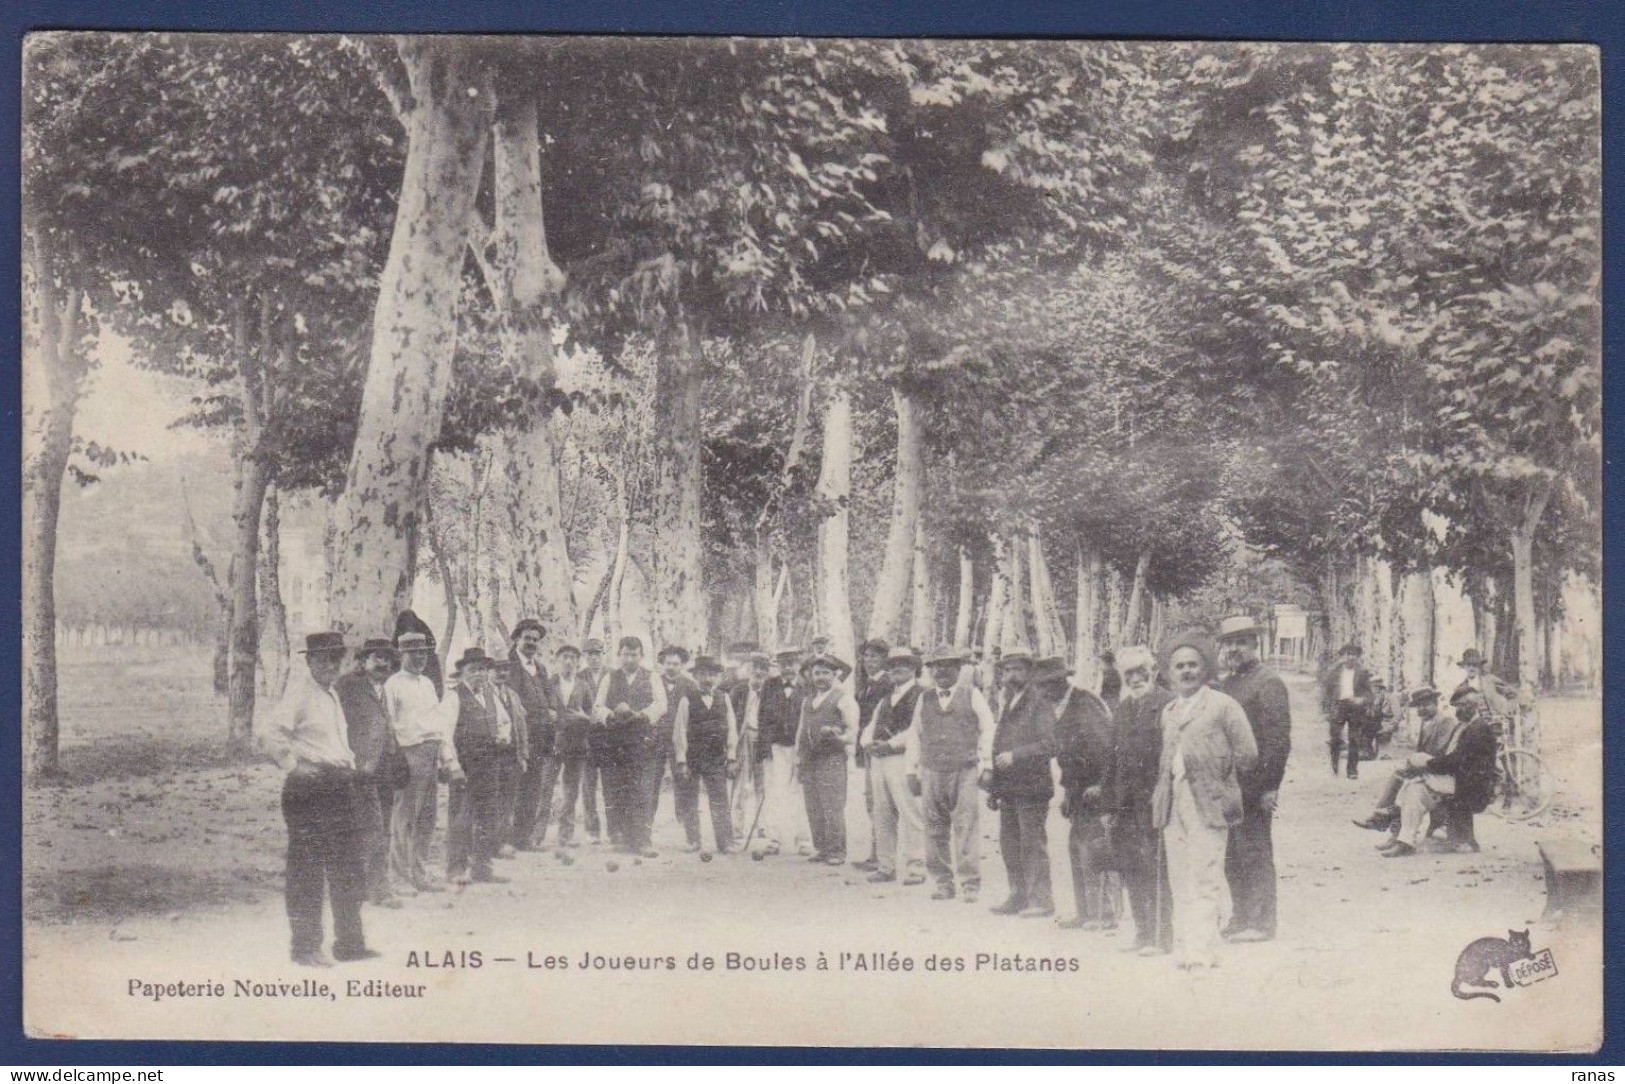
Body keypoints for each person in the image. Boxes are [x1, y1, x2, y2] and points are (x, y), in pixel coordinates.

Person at [263, 632, 375, 967]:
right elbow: (268, 732)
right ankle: (305, 948)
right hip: (310, 790)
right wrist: (293, 765)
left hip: (339, 786)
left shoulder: (331, 696)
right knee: (307, 871)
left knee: (347, 868)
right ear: (309, 660)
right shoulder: (300, 692)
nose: (330, 665)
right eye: (323, 658)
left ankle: (349, 945)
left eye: (336, 658)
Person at [1152, 630, 1258, 971]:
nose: (1186, 671)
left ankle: (1200, 950)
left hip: (1209, 801)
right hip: (1173, 801)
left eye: (1193, 665)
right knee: (1180, 876)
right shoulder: (1168, 711)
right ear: (1169, 672)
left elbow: (1248, 754)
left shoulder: (1223, 706)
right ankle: (1191, 946)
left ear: (1205, 669)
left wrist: (1219, 776)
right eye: (1179, 666)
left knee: (1205, 875)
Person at [1215, 615, 1293, 944]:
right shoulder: (1228, 684)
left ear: (1254, 644)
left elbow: (1278, 740)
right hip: (1229, 785)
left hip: (1255, 785)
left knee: (1255, 852)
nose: (1234, 648)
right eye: (1229, 643)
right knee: (1232, 853)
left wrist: (1270, 786)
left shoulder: (1268, 682)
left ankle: (1262, 922)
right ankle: (1241, 915)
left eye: (1241, 642)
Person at [904, 648, 995, 903]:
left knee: (966, 826)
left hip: (963, 768)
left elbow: (988, 728)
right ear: (932, 671)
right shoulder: (925, 698)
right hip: (931, 770)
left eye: (949, 666)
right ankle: (943, 882)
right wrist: (911, 770)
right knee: (934, 828)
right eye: (937, 667)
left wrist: (987, 764)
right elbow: (915, 734)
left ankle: (970, 883)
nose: (943, 671)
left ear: (959, 669)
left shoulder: (972, 694)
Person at [1102, 646, 1174, 955]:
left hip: (1156, 802)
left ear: (1153, 671)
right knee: (1131, 868)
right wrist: (1107, 805)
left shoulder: (1168, 705)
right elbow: (1111, 761)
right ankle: (1142, 932)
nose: (1135, 678)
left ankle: (1161, 936)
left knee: (1156, 868)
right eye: (1128, 673)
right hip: (1125, 805)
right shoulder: (1122, 709)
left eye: (1140, 672)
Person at [1378, 688, 1497, 858]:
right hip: (1458, 779)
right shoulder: (1467, 727)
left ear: (1472, 706)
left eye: (1460, 707)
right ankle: (1404, 840)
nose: (1457, 711)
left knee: (1414, 781)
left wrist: (1427, 764)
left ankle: (1395, 827)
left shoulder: (1478, 730)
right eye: (1456, 707)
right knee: (1414, 788)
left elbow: (1456, 761)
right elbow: (1453, 760)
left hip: (1470, 786)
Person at [1046, 656, 1118, 930]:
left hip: (1094, 791)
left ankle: (1105, 914)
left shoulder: (1085, 704)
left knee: (1097, 851)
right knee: (1077, 850)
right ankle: (1086, 912)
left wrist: (1102, 785)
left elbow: (1105, 748)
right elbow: (1068, 757)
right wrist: (1066, 793)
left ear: (1060, 682)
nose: (1042, 691)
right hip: (1077, 791)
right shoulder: (1059, 707)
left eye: (1047, 685)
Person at [384, 630, 458, 894]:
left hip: (430, 752)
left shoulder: (427, 684)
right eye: (413, 653)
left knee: (427, 817)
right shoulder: (393, 685)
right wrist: (397, 759)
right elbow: (389, 726)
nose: (419, 658)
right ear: (402, 655)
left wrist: (442, 756)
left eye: (423, 653)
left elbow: (437, 721)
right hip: (408, 753)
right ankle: (401, 877)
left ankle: (420, 872)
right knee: (404, 818)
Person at [334, 637, 403, 910]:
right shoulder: (347, 687)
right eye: (377, 657)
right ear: (363, 661)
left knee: (382, 827)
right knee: (371, 829)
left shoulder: (384, 688)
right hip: (359, 770)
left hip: (383, 769)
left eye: (387, 658)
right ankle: (377, 889)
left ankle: (363, 885)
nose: (383, 663)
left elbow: (386, 727)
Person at [987, 651, 1057, 918]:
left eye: (1016, 669)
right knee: (1010, 844)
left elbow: (1050, 744)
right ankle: (1017, 895)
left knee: (1032, 843)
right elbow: (998, 744)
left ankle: (1041, 899)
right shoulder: (1008, 701)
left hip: (1032, 786)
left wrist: (1017, 755)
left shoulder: (1040, 702)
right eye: (1006, 670)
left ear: (1029, 672)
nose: (1010, 675)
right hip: (1008, 787)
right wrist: (994, 787)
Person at [445, 648, 518, 885]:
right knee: (461, 817)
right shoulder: (454, 696)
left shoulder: (490, 695)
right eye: (473, 670)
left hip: (490, 763)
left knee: (488, 816)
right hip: (466, 766)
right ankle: (456, 868)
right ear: (463, 672)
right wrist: (453, 765)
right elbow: (444, 735)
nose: (479, 674)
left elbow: (505, 721)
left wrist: (503, 736)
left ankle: (482, 867)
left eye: (482, 670)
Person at [593, 636, 667, 856]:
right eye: (625, 654)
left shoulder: (651, 677)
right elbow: (598, 705)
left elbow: (661, 704)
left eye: (634, 654)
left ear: (641, 656)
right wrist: (610, 715)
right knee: (616, 788)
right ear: (619, 655)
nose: (629, 658)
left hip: (642, 741)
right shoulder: (610, 677)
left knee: (643, 789)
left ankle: (643, 840)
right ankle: (618, 837)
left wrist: (641, 715)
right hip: (615, 740)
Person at [860, 648, 927, 885]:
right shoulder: (886, 698)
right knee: (882, 813)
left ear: (913, 668)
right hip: (880, 759)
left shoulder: (922, 694)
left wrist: (890, 744)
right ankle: (886, 866)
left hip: (904, 758)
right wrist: (867, 742)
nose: (897, 668)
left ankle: (916, 867)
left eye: (904, 664)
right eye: (893, 665)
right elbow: (871, 724)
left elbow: (918, 729)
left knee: (910, 812)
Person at [1353, 687, 1460, 832]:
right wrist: (1413, 763)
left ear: (1435, 703)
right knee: (1401, 775)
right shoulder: (1426, 722)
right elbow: (1420, 751)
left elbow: (1441, 751)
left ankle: (1383, 820)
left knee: (1401, 777)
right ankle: (1386, 821)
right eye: (1419, 706)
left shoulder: (1445, 721)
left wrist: (1418, 764)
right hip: (1428, 765)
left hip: (1442, 769)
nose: (1422, 709)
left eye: (1426, 704)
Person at [672, 656, 740, 856]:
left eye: (711, 674)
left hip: (715, 757)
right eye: (702, 674)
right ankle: (693, 840)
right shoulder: (687, 699)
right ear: (695, 677)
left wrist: (732, 755)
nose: (707, 679)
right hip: (693, 757)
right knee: (690, 799)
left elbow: (732, 728)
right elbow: (680, 731)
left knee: (720, 798)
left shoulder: (724, 698)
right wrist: (681, 760)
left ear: (718, 677)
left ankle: (725, 842)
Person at [796, 653, 859, 865]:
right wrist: (798, 757)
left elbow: (853, 731)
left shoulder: (843, 698)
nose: (820, 677)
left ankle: (836, 851)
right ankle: (821, 848)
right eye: (817, 673)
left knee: (832, 805)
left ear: (834, 675)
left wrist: (837, 736)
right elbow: (801, 731)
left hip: (832, 758)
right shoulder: (808, 700)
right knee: (813, 804)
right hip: (809, 759)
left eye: (825, 673)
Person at [507, 619, 564, 851]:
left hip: (541, 737)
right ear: (516, 640)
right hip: (519, 736)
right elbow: (511, 700)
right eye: (527, 638)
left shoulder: (540, 668)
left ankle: (523, 838)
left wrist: (552, 710)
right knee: (513, 787)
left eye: (535, 640)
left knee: (533, 787)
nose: (531, 643)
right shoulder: (509, 665)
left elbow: (550, 695)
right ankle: (504, 839)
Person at [647, 645, 700, 852]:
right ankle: (645, 836)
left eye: (676, 664)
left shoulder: (690, 685)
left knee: (686, 787)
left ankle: (693, 837)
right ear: (662, 663)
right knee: (650, 787)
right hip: (655, 742)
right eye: (668, 663)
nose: (671, 667)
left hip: (680, 744)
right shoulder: (653, 682)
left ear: (682, 665)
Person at [549, 643, 597, 851]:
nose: (568, 661)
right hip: (552, 744)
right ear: (557, 661)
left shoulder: (584, 686)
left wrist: (583, 717)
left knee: (571, 791)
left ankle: (565, 835)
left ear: (578, 663)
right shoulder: (548, 683)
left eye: (572, 658)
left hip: (577, 744)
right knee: (545, 788)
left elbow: (594, 716)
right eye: (564, 657)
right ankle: (536, 835)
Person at [852, 637, 893, 872]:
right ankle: (876, 852)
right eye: (866, 656)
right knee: (871, 799)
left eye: (874, 656)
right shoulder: (866, 685)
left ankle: (882, 854)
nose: (869, 660)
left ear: (884, 659)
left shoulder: (887, 684)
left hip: (881, 748)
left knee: (880, 800)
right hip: (868, 748)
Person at [766, 647, 813, 855]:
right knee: (775, 791)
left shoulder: (808, 687)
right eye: (783, 663)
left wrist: (806, 748)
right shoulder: (770, 685)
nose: (787, 667)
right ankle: (774, 839)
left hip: (799, 746)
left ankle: (803, 839)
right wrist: (764, 749)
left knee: (800, 792)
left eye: (792, 663)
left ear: (798, 665)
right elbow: (762, 717)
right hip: (776, 746)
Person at [727, 652, 774, 845]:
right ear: (749, 669)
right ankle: (736, 827)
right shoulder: (738, 691)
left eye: (763, 668)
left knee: (763, 784)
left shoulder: (772, 692)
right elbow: (729, 718)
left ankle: (762, 825)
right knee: (741, 784)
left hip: (764, 740)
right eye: (756, 667)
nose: (759, 672)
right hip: (743, 738)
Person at [487, 660, 531, 857]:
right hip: (492, 756)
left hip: (511, 757)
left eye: (505, 669)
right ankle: (489, 844)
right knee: (492, 800)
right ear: (489, 671)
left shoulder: (512, 695)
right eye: (497, 669)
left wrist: (522, 755)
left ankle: (503, 841)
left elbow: (521, 727)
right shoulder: (483, 693)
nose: (501, 673)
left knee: (508, 800)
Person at [1320, 642, 1373, 779]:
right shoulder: (1334, 672)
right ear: (1343, 656)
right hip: (1338, 706)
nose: (1351, 657)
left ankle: (1352, 770)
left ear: (1357, 657)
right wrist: (1326, 709)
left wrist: (1361, 699)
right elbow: (1326, 690)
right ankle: (1334, 766)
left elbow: (1369, 693)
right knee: (1335, 737)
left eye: (1354, 655)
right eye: (1348, 654)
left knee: (1354, 739)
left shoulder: (1362, 673)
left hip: (1355, 707)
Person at [579, 639, 609, 844]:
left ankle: (614, 829)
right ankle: (592, 831)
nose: (594, 658)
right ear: (585, 657)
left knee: (610, 785)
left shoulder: (613, 675)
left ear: (603, 654)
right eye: (590, 654)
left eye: (597, 653)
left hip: (609, 739)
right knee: (588, 786)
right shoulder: (579, 677)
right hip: (586, 738)